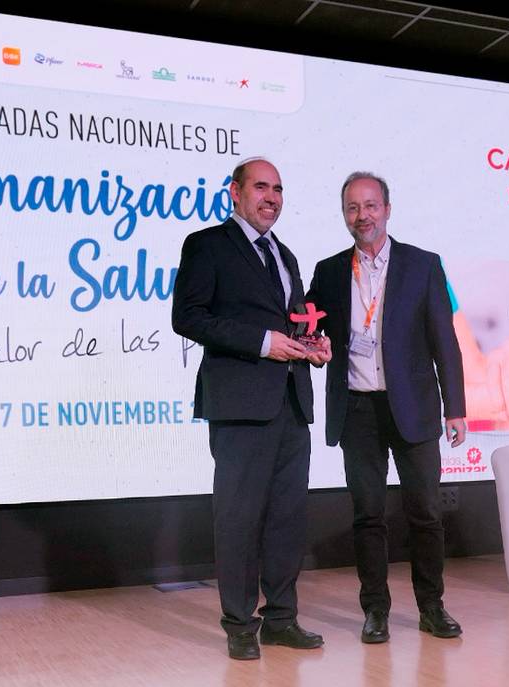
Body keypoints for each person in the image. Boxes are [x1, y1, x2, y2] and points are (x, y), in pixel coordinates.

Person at [172, 157, 331, 660]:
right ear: (234, 193)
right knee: (239, 518)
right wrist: (263, 343)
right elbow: (188, 316)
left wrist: (314, 346)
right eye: (261, 187)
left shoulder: (285, 255)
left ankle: (281, 619)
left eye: (278, 189)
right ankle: (239, 624)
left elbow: (296, 323)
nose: (272, 197)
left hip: (290, 402)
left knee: (287, 518)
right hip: (241, 405)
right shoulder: (207, 245)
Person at [306, 171, 466, 644]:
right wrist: (311, 345)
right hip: (357, 410)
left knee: (425, 513)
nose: (363, 216)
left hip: (414, 407)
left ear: (388, 210)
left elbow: (445, 341)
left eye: (371, 206)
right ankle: (375, 610)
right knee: (368, 514)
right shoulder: (329, 270)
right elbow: (313, 331)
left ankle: (432, 607)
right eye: (353, 208)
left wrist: (454, 407)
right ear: (344, 215)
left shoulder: (423, 265)